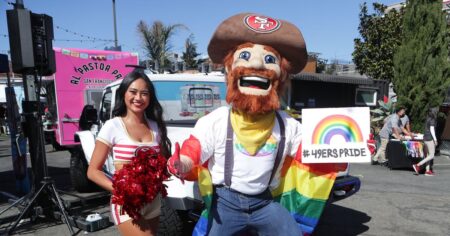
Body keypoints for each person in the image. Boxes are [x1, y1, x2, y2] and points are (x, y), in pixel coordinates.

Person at [168, 13, 345, 235]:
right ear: (229, 70)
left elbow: (312, 152)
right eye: (245, 56)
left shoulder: (287, 124)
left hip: (264, 204)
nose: (257, 63)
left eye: (270, 60)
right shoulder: (217, 120)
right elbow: (195, 149)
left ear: (279, 77)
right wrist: (181, 163)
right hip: (226, 204)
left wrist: (349, 145)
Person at [87, 69, 171, 236]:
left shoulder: (156, 126)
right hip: (127, 203)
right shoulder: (113, 126)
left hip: (153, 202)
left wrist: (176, 165)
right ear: (124, 94)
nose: (138, 98)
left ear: (150, 97)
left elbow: (163, 163)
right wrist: (121, 191)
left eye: (144, 93)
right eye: (133, 92)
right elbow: (93, 171)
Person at [413, 107, 438, 176]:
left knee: (428, 155)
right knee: (431, 155)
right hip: (430, 139)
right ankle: (418, 165)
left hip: (425, 138)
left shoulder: (428, 118)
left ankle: (427, 171)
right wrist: (435, 139)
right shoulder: (432, 119)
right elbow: (432, 130)